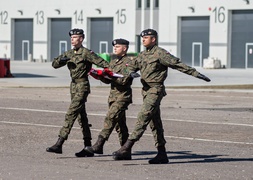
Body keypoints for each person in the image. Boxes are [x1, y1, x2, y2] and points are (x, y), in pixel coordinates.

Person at [112, 29, 211, 164]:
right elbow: (130, 67)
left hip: (155, 90)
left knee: (143, 116)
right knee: (155, 123)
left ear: (153, 39)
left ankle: (127, 147)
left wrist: (195, 74)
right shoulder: (141, 55)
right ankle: (162, 153)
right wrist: (130, 73)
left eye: (146, 38)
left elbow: (177, 64)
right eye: (143, 38)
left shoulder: (160, 53)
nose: (143, 40)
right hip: (146, 91)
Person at [46, 28, 109, 157]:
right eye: (71, 37)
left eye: (75, 37)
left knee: (71, 113)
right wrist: (61, 61)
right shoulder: (69, 53)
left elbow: (103, 63)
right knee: (81, 117)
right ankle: (88, 146)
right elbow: (54, 64)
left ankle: (59, 143)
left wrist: (105, 73)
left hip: (82, 86)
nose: (72, 40)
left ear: (81, 39)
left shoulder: (86, 53)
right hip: (73, 86)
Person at [85, 38, 135, 155]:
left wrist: (111, 76)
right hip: (113, 97)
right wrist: (99, 75)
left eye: (117, 47)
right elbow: (108, 81)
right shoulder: (113, 62)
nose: (115, 48)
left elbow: (124, 81)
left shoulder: (130, 62)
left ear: (125, 48)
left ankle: (99, 144)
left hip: (123, 96)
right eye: (114, 47)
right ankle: (125, 151)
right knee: (120, 125)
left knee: (110, 118)